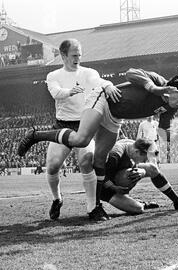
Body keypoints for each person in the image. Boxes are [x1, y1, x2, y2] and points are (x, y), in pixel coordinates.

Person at [18, 68, 178, 221]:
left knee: (100, 159)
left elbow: (163, 132)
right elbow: (130, 73)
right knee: (81, 140)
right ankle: (36, 135)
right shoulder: (158, 81)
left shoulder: (172, 107)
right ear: (172, 87)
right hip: (103, 99)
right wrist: (155, 88)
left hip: (116, 117)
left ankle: (95, 207)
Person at [42, 39, 121, 220]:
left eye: (79, 55)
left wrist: (108, 84)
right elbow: (55, 93)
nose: (77, 58)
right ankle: (57, 199)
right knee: (53, 166)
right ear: (63, 56)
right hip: (63, 125)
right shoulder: (53, 75)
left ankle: (92, 208)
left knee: (86, 161)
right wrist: (71, 91)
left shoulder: (88, 72)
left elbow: (97, 81)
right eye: (73, 55)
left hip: (84, 124)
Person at [100, 138, 178, 215]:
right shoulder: (115, 155)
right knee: (137, 208)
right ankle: (142, 203)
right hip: (104, 188)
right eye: (144, 158)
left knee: (152, 168)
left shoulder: (132, 147)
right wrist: (114, 187)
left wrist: (142, 172)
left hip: (118, 175)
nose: (145, 161)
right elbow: (98, 174)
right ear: (137, 152)